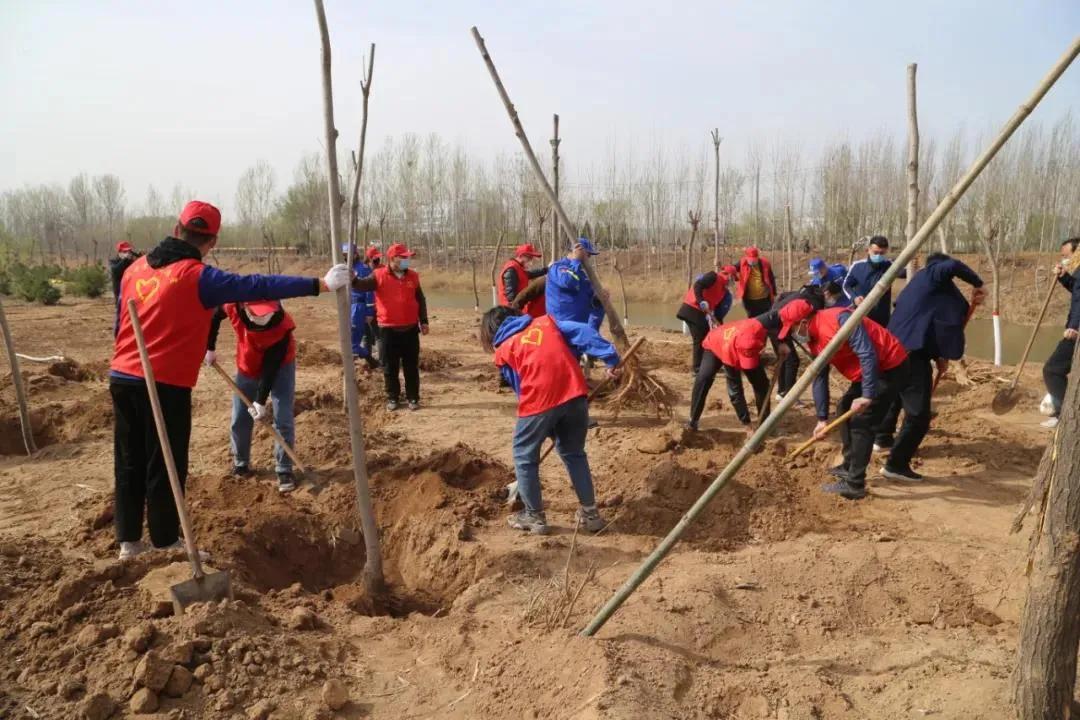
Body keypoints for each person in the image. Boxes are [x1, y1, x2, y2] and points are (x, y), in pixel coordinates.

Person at [110, 200, 351, 560]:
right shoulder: (197, 276)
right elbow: (257, 285)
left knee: (128, 460)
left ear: (177, 230)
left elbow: (120, 322)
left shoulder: (136, 269)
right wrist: (321, 284)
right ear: (212, 241)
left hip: (122, 375)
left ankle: (129, 542)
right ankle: (164, 542)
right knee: (165, 463)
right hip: (163, 382)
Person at [480, 306, 620, 536]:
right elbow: (584, 332)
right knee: (574, 453)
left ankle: (534, 516)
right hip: (575, 395)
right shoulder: (547, 323)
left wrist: (542, 423)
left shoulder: (504, 349)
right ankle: (591, 514)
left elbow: (520, 388)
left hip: (540, 401)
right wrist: (610, 357)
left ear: (491, 331)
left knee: (524, 455)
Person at [874, 254, 985, 474]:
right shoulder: (932, 274)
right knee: (919, 416)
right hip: (909, 354)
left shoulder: (923, 287)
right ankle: (896, 464)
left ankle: (883, 438)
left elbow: (927, 322)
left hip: (894, 349)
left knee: (896, 395)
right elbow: (952, 265)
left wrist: (939, 356)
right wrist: (979, 284)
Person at [802, 305, 910, 500]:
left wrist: (867, 395)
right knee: (844, 406)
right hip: (868, 372)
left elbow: (867, 353)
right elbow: (820, 377)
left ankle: (855, 484)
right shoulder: (814, 337)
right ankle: (848, 465)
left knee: (862, 422)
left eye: (792, 329)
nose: (794, 335)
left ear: (802, 322)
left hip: (890, 366)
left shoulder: (839, 319)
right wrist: (822, 419)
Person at [205, 299, 301, 493]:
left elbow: (270, 367)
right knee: (240, 417)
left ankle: (284, 469)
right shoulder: (232, 305)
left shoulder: (282, 326)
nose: (263, 317)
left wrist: (260, 401)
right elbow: (213, 315)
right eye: (258, 313)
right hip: (247, 366)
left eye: (266, 313)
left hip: (280, 367)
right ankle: (241, 463)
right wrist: (210, 347)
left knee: (282, 416)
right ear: (245, 307)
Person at [350, 243, 429, 411]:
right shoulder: (378, 275)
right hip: (388, 330)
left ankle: (413, 398)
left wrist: (424, 321)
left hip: (410, 329)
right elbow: (361, 285)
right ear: (393, 259)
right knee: (389, 366)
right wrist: (352, 279)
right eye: (404, 257)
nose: (407, 260)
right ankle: (393, 397)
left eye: (408, 257)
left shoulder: (413, 276)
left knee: (411, 366)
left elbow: (420, 299)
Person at [686, 314, 778, 435]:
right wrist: (747, 425)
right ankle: (693, 421)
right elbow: (735, 392)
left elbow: (779, 320)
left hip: (741, 341)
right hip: (716, 343)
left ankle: (764, 423)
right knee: (704, 378)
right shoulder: (730, 355)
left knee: (762, 383)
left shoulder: (758, 330)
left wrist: (781, 343)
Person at [755, 286, 826, 400]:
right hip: (779, 324)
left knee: (784, 358)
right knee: (792, 361)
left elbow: (782, 296)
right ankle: (788, 396)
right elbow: (809, 327)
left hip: (776, 319)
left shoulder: (801, 292)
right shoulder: (816, 303)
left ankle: (781, 392)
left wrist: (777, 310)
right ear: (826, 294)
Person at [1042, 237, 1080, 429]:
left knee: (1052, 369)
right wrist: (1064, 277)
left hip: (1077, 330)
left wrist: (1074, 326)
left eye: (1067, 256)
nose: (1065, 259)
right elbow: (1077, 289)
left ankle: (1067, 417)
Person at [676, 262, 737, 374]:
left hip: (701, 314)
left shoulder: (723, 291)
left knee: (709, 337)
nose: (733, 282)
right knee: (700, 339)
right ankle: (697, 368)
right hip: (692, 309)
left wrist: (719, 325)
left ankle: (708, 365)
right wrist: (701, 301)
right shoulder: (713, 276)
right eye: (733, 279)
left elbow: (718, 311)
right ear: (729, 275)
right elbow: (698, 285)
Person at [843, 235, 906, 327]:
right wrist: (854, 298)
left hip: (882, 318)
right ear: (868, 250)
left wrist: (912, 267)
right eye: (875, 253)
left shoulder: (889, 266)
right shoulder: (857, 266)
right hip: (861, 316)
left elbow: (904, 273)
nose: (878, 256)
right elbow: (846, 285)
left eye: (882, 253)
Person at [546, 238, 607, 329]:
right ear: (577, 251)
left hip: (580, 329)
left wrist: (598, 300)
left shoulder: (582, 275)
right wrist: (576, 260)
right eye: (588, 254)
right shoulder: (557, 267)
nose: (589, 258)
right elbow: (568, 281)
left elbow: (591, 302)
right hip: (560, 329)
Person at [346, 244, 379, 369]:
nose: (346, 257)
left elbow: (369, 291)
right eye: (344, 255)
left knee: (353, 340)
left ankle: (371, 361)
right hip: (349, 306)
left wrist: (370, 311)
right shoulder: (346, 269)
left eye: (348, 254)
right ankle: (369, 360)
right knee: (359, 336)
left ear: (355, 254)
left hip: (358, 306)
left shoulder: (363, 269)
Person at [498, 243, 548, 317]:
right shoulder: (511, 270)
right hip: (511, 311)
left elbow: (530, 274)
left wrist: (546, 270)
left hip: (519, 306)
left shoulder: (519, 268)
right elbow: (511, 298)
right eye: (529, 258)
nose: (531, 261)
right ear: (521, 256)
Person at [109, 241, 142, 334]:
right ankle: (118, 335)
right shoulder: (114, 262)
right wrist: (125, 260)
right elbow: (115, 271)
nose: (127, 254)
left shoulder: (131, 262)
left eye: (129, 251)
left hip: (132, 295)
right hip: (120, 295)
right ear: (119, 252)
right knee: (120, 318)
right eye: (124, 252)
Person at [735, 246, 777, 318]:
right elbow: (732, 269)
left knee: (765, 318)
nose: (752, 262)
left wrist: (774, 293)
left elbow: (771, 278)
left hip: (764, 299)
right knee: (752, 320)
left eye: (754, 260)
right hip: (749, 300)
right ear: (746, 257)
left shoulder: (765, 263)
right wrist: (723, 268)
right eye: (750, 260)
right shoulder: (742, 263)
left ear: (758, 257)